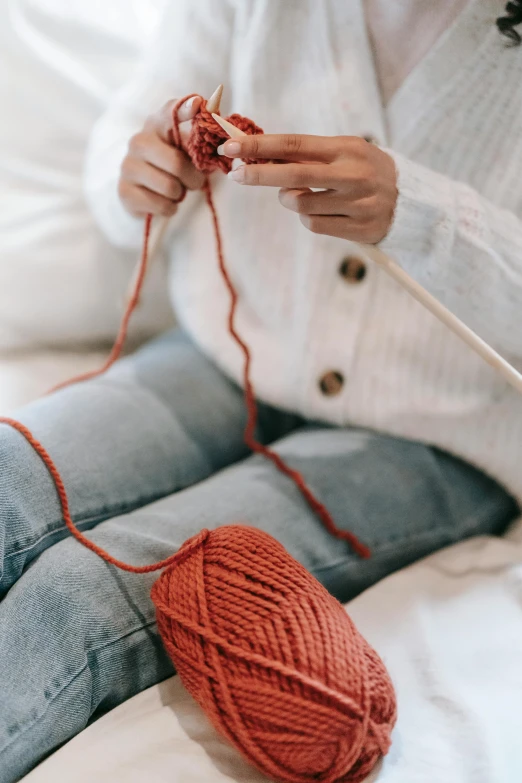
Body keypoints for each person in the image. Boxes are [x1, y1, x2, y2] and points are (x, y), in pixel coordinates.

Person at [1, 1, 522, 779]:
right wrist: (138, 168)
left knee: (76, 599)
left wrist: (428, 217)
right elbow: (126, 135)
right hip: (222, 359)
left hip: (432, 433)